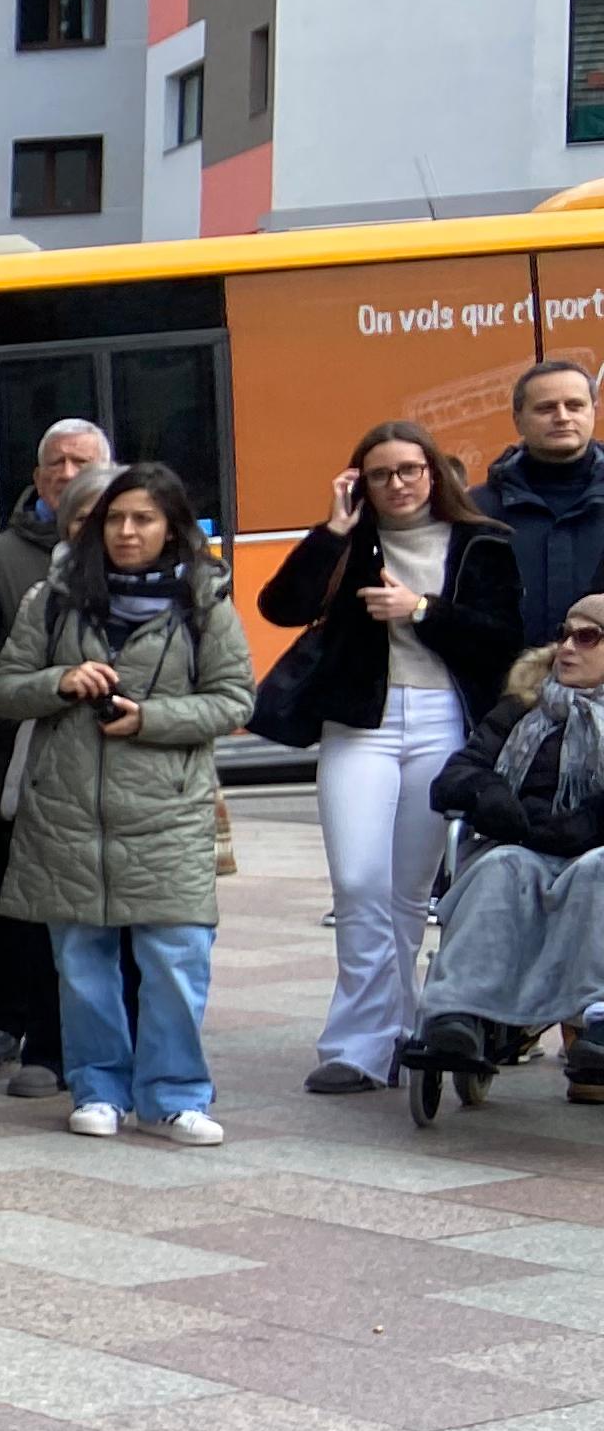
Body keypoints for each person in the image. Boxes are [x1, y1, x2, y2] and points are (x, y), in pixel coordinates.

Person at [0, 462, 255, 1146]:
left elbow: (234, 700)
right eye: (115, 519)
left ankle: (175, 1095)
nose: (127, 532)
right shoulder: (53, 597)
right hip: (69, 809)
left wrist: (152, 719)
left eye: (144, 519)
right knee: (82, 963)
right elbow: (6, 690)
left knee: (175, 957)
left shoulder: (204, 599)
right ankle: (98, 1086)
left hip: (166, 810)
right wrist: (60, 680)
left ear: (172, 528)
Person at [263, 421, 525, 1094]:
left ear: (434, 474)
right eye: (381, 474)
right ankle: (357, 1044)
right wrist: (331, 532)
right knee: (357, 882)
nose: (398, 484)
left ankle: (393, 1035)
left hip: (442, 719)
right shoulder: (351, 541)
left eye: (410, 470)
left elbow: (502, 642)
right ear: (360, 482)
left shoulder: (481, 543)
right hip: (360, 723)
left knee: (408, 892)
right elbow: (280, 607)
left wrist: (422, 609)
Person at [0, 416, 113, 1091]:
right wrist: (20, 707)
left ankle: (81, 1030)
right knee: (8, 898)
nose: (68, 475)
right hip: (8, 762)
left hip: (108, 768)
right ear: (37, 475)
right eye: (56, 463)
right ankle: (4, 1019)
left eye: (83, 462)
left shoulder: (147, 564)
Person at [412, 595, 604, 1100]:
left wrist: (586, 823)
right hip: (521, 845)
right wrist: (490, 794)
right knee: (502, 867)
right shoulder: (525, 703)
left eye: (587, 637)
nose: (566, 647)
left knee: (598, 871)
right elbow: (456, 774)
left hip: (593, 852)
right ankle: (457, 1013)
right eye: (565, 632)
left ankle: (598, 1018)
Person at [486, 360, 604, 650]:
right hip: (506, 689)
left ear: (594, 410)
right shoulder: (478, 509)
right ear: (518, 419)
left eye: (575, 405)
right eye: (546, 408)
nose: (562, 417)